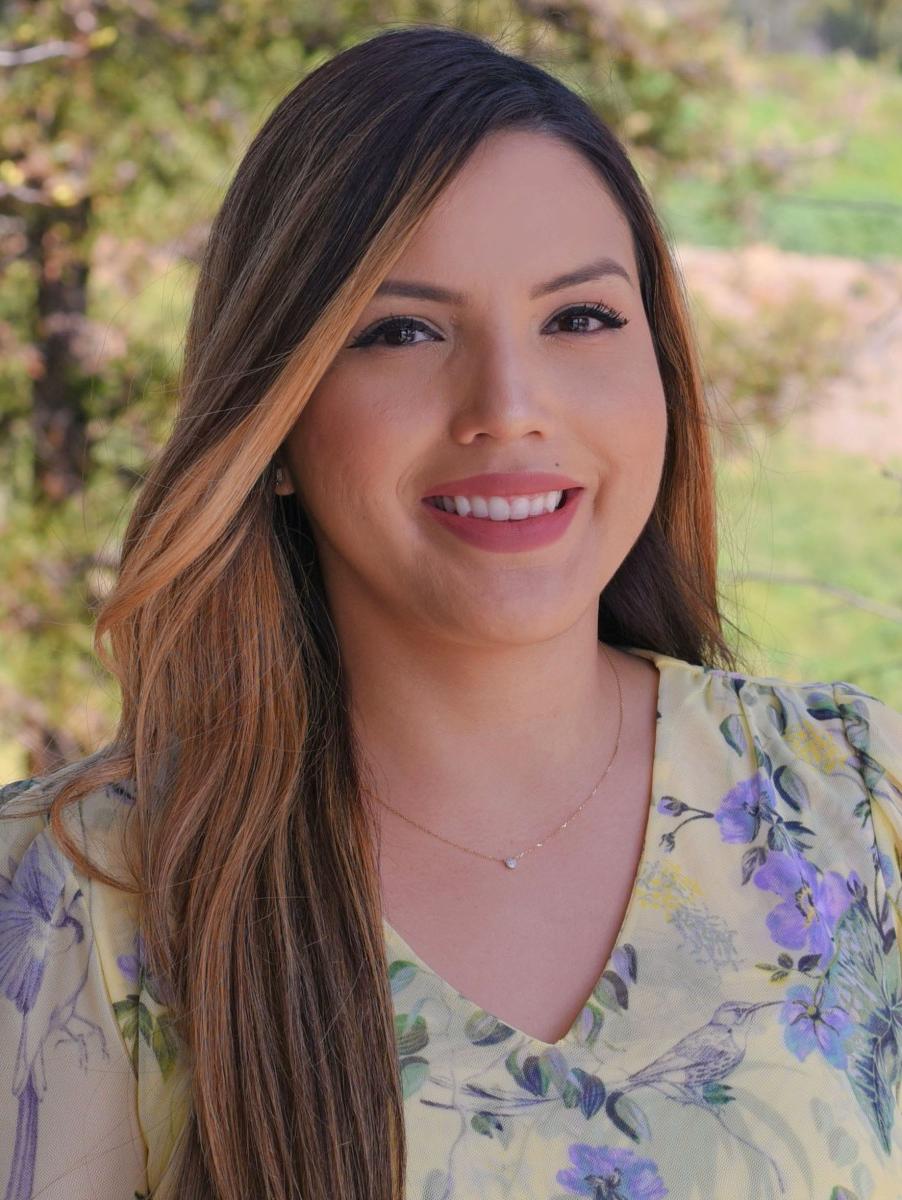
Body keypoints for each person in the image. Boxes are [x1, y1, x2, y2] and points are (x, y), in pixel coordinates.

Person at [1, 22, 900, 1200]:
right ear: (273, 419)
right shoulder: (76, 896)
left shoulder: (854, 804)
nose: (506, 406)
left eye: (577, 318)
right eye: (401, 332)